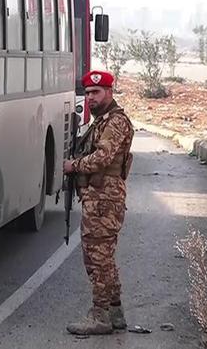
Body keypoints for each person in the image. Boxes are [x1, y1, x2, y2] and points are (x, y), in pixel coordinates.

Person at [62, 70, 135, 336]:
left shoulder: (116, 122)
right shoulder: (102, 122)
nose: (91, 98)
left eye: (96, 92)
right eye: (88, 93)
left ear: (109, 92)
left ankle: (100, 315)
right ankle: (115, 313)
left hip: (105, 200)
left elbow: (103, 158)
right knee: (103, 259)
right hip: (99, 198)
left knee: (97, 260)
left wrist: (74, 166)